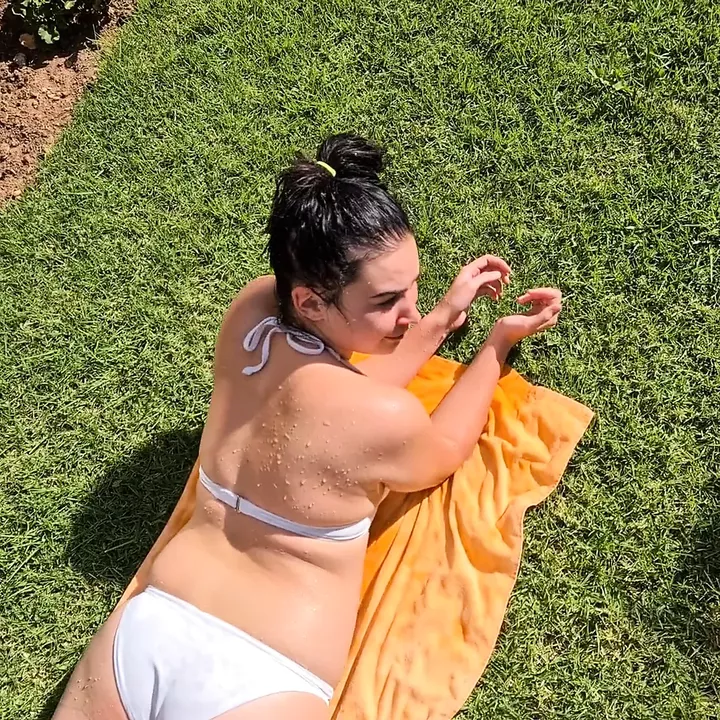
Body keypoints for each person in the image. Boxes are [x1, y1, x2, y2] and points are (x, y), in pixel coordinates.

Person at [53, 133, 562, 720]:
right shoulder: (381, 417)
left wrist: (443, 320)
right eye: (386, 301)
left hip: (149, 628)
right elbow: (443, 448)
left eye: (414, 287)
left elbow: (333, 394)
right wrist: (497, 345)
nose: (411, 312)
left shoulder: (252, 309)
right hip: (269, 670)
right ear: (311, 302)